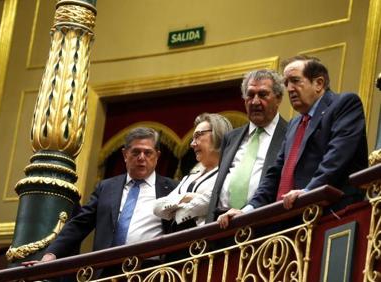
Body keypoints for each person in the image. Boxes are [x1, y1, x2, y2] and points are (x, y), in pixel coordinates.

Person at [218, 55, 368, 229]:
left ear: (318, 83)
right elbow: (275, 173)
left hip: (334, 216)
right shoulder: (294, 124)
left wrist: (308, 193)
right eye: (286, 82)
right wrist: (247, 210)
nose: (289, 88)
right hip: (291, 222)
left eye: (295, 81)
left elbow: (336, 158)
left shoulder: (344, 104)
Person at [23, 127, 177, 276]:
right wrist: (51, 255)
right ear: (125, 154)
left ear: (157, 155)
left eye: (148, 153)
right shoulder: (106, 187)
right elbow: (80, 224)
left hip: (151, 271)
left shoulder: (172, 188)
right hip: (106, 270)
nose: (141, 158)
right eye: (136, 152)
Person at [206, 69, 287, 223]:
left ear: (278, 98)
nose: (255, 101)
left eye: (262, 95)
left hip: (263, 225)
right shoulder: (231, 138)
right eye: (250, 95)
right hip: (222, 223)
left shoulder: (289, 135)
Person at [153, 113, 232, 230]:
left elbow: (212, 200)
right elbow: (157, 207)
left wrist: (177, 210)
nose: (192, 144)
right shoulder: (189, 177)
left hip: (209, 242)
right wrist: (187, 196)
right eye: (193, 138)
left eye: (198, 135)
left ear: (218, 134)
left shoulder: (230, 171)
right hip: (180, 242)